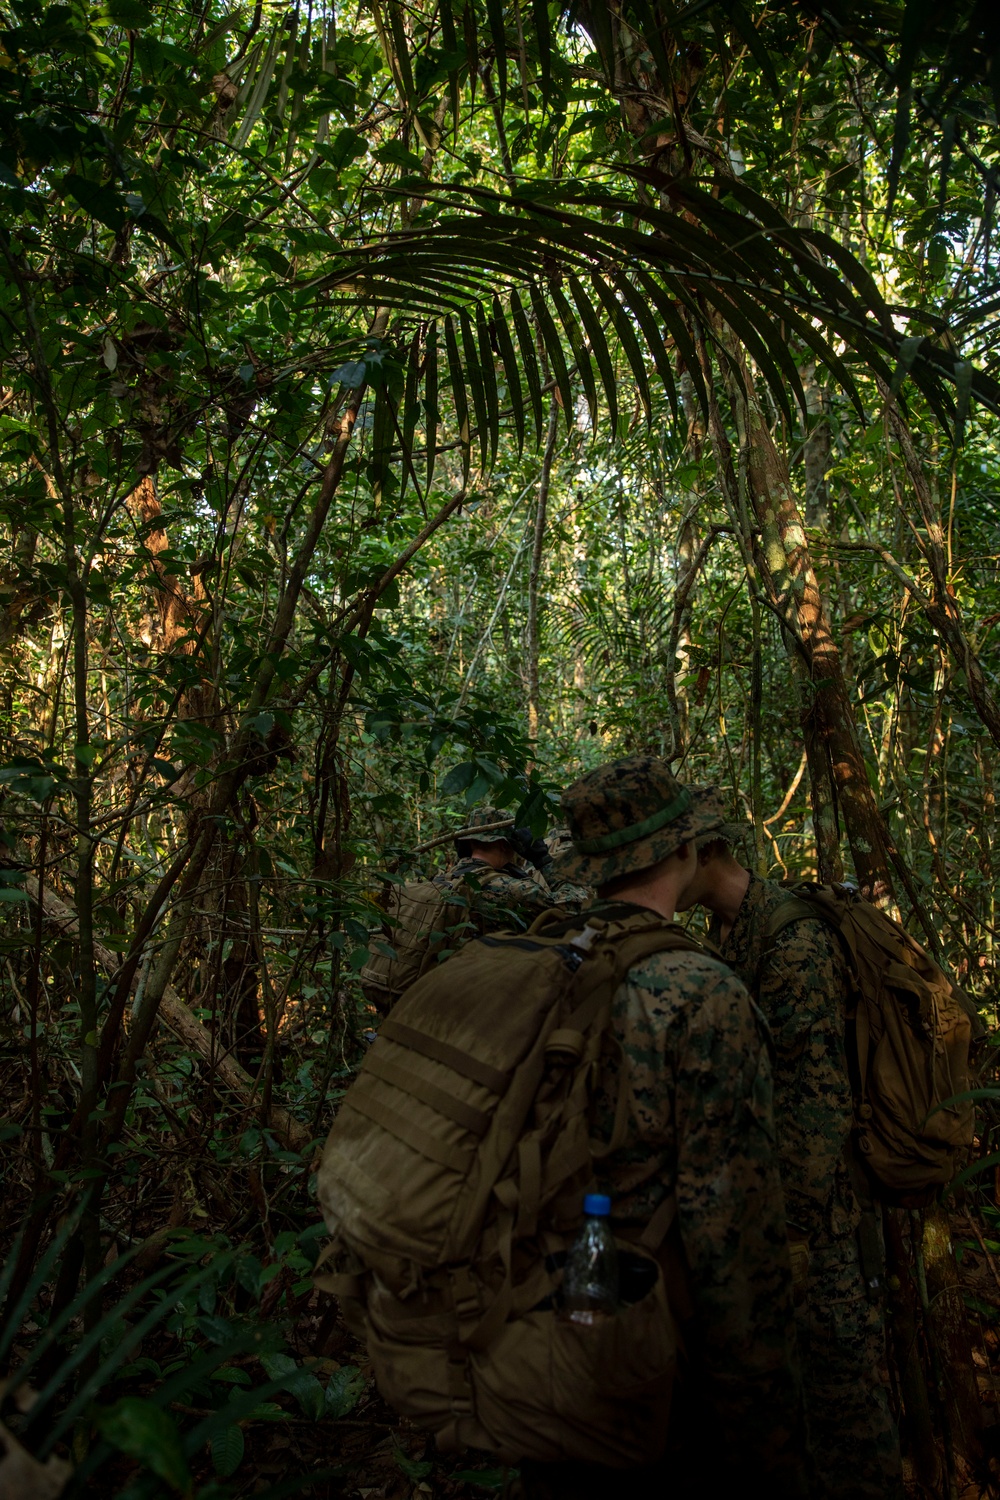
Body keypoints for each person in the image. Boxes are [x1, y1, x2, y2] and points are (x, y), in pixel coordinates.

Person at [532, 756, 807, 1497]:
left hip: (537, 1319)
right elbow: (730, 1217)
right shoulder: (701, 991)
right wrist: (758, 1397)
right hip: (653, 1336)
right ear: (684, 851)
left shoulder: (538, 963)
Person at [674, 793, 903, 1500]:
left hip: (815, 1226)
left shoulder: (790, 939)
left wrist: (793, 1224)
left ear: (706, 854)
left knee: (844, 1411)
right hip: (772, 1213)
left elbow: (819, 1099)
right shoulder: (731, 931)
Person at [434, 805, 584, 931]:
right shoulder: (517, 891)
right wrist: (543, 860)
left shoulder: (440, 882)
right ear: (506, 845)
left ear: (470, 842)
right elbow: (575, 911)